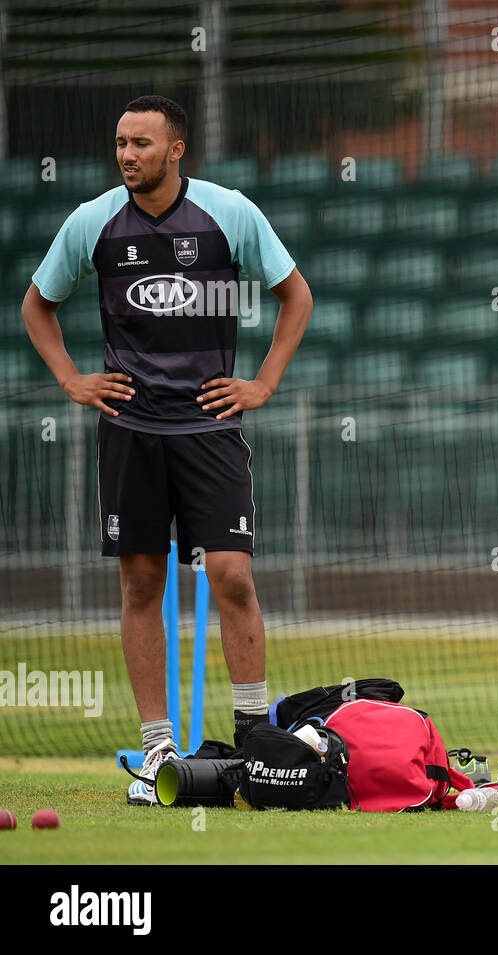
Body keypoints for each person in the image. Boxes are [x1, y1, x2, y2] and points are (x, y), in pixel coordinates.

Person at [21, 95, 312, 804]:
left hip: (210, 430)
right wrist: (71, 378)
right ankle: (158, 751)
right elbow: (37, 304)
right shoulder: (91, 222)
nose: (128, 154)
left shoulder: (229, 213)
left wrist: (264, 382)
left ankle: (252, 739)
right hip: (130, 431)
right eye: (121, 142)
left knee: (233, 576)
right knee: (142, 585)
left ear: (176, 150)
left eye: (142, 144)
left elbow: (295, 294)